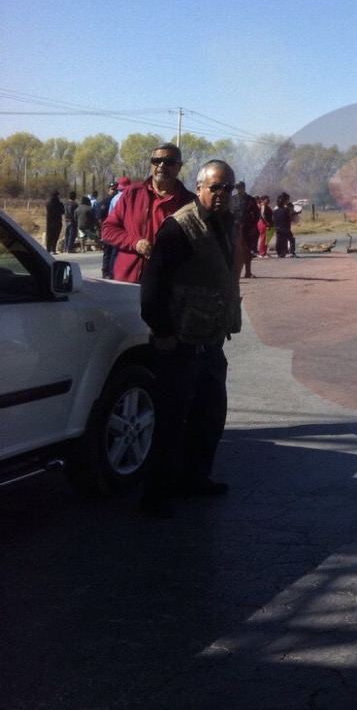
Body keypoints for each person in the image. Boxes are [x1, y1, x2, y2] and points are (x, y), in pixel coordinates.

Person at [138, 159, 242, 518]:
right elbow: (152, 284)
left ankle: (195, 478)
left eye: (228, 188)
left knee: (209, 416)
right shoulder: (180, 226)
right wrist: (163, 331)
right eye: (215, 187)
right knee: (172, 421)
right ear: (199, 188)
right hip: (181, 343)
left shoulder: (225, 222)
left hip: (211, 341)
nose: (222, 193)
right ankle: (156, 495)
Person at [101, 144, 195, 283]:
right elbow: (108, 230)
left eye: (168, 162)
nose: (161, 166)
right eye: (156, 161)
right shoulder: (132, 194)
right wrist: (135, 242)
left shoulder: (190, 203)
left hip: (170, 284)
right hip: (130, 282)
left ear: (179, 166)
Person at [233, 182, 260, 278]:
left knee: (247, 250)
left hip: (247, 228)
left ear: (244, 188)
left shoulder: (250, 200)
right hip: (235, 227)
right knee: (234, 250)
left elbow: (256, 214)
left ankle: (248, 272)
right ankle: (235, 273)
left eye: (240, 187)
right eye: (237, 188)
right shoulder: (232, 199)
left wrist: (254, 226)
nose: (238, 189)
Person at [272, 193, 295, 257]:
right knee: (291, 239)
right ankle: (291, 252)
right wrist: (291, 209)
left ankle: (280, 253)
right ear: (285, 201)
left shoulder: (275, 211)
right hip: (285, 227)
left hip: (277, 227)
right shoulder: (286, 210)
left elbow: (273, 219)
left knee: (279, 240)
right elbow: (290, 218)